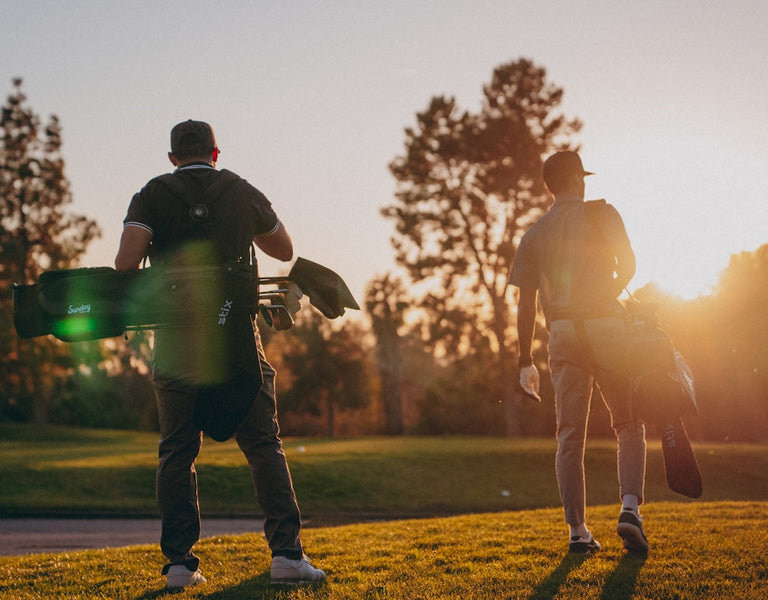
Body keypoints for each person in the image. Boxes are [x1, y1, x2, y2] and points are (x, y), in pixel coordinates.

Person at [115, 120, 326, 588]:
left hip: (175, 338)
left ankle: (178, 566)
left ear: (172, 157)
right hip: (235, 336)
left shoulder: (151, 193)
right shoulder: (240, 189)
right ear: (215, 152)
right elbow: (283, 248)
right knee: (262, 444)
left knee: (176, 451)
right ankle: (287, 557)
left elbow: (126, 264)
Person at [508, 150, 649, 554]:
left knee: (570, 435)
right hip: (606, 324)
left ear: (549, 186)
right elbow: (630, 265)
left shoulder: (534, 234)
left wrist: (524, 360)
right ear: (579, 180)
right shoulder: (603, 213)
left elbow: (526, 304)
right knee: (628, 421)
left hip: (563, 331)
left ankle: (578, 533)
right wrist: (605, 291)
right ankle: (629, 510)